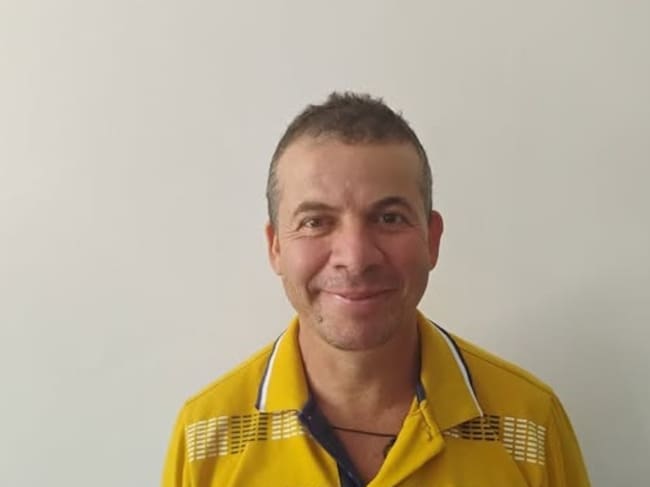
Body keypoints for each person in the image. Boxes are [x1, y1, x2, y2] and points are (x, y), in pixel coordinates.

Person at [162, 92, 591, 486]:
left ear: (432, 239)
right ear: (275, 247)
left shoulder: (530, 425)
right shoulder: (206, 438)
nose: (355, 257)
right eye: (315, 221)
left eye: (388, 218)